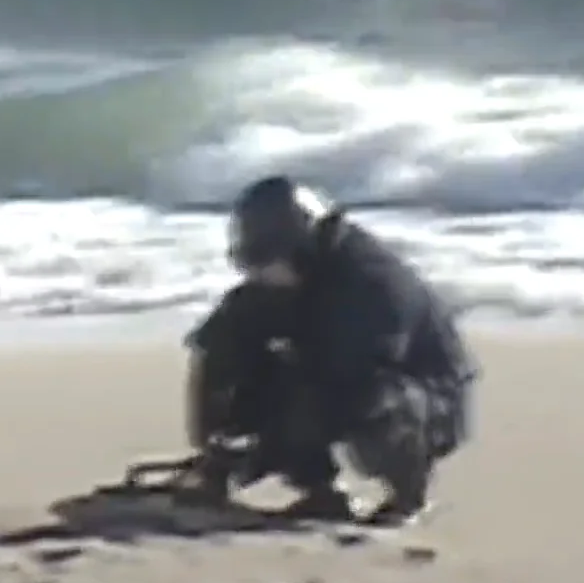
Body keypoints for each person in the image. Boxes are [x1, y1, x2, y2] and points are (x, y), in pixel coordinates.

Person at [182, 175, 477, 526]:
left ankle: (407, 497)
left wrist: (260, 453)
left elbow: (344, 383)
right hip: (329, 376)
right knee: (244, 358)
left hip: (425, 398)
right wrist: (213, 444)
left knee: (371, 401)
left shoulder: (371, 286)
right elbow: (215, 345)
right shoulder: (282, 282)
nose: (257, 274)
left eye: (264, 260)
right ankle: (323, 494)